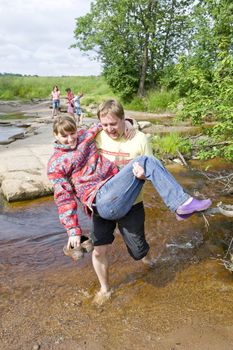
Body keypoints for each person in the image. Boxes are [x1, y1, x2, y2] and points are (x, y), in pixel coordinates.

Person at [47, 114, 212, 302]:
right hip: (99, 199)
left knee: (138, 251)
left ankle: (147, 259)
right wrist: (72, 230)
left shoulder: (86, 136)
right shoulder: (56, 163)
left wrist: (128, 122)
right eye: (64, 136)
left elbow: (102, 122)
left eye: (72, 133)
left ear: (77, 130)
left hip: (118, 192)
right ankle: (104, 290)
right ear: (55, 135)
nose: (70, 139)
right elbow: (63, 197)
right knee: (145, 161)